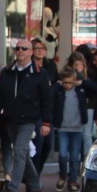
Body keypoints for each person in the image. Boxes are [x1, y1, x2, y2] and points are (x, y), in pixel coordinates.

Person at [0, 39, 52, 192]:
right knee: (24, 155)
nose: (21, 51)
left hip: (29, 119)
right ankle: (35, 188)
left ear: (31, 52)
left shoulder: (40, 73)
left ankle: (12, 188)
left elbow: (47, 100)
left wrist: (46, 123)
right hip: (10, 118)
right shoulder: (7, 72)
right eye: (18, 48)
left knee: (20, 150)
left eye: (24, 48)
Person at [52, 67, 90, 192]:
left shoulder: (80, 91)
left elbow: (95, 89)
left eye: (70, 83)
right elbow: (50, 94)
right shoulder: (59, 92)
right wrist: (57, 85)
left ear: (75, 81)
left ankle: (73, 180)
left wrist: (82, 82)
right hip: (62, 128)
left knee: (74, 157)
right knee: (62, 155)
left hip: (77, 128)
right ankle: (63, 175)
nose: (67, 85)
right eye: (65, 83)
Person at [30, 36, 58, 175]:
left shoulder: (50, 66)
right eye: (37, 48)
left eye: (42, 49)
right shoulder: (27, 66)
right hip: (33, 109)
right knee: (38, 143)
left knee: (48, 143)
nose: (40, 51)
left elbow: (50, 81)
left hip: (47, 109)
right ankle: (34, 176)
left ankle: (37, 170)